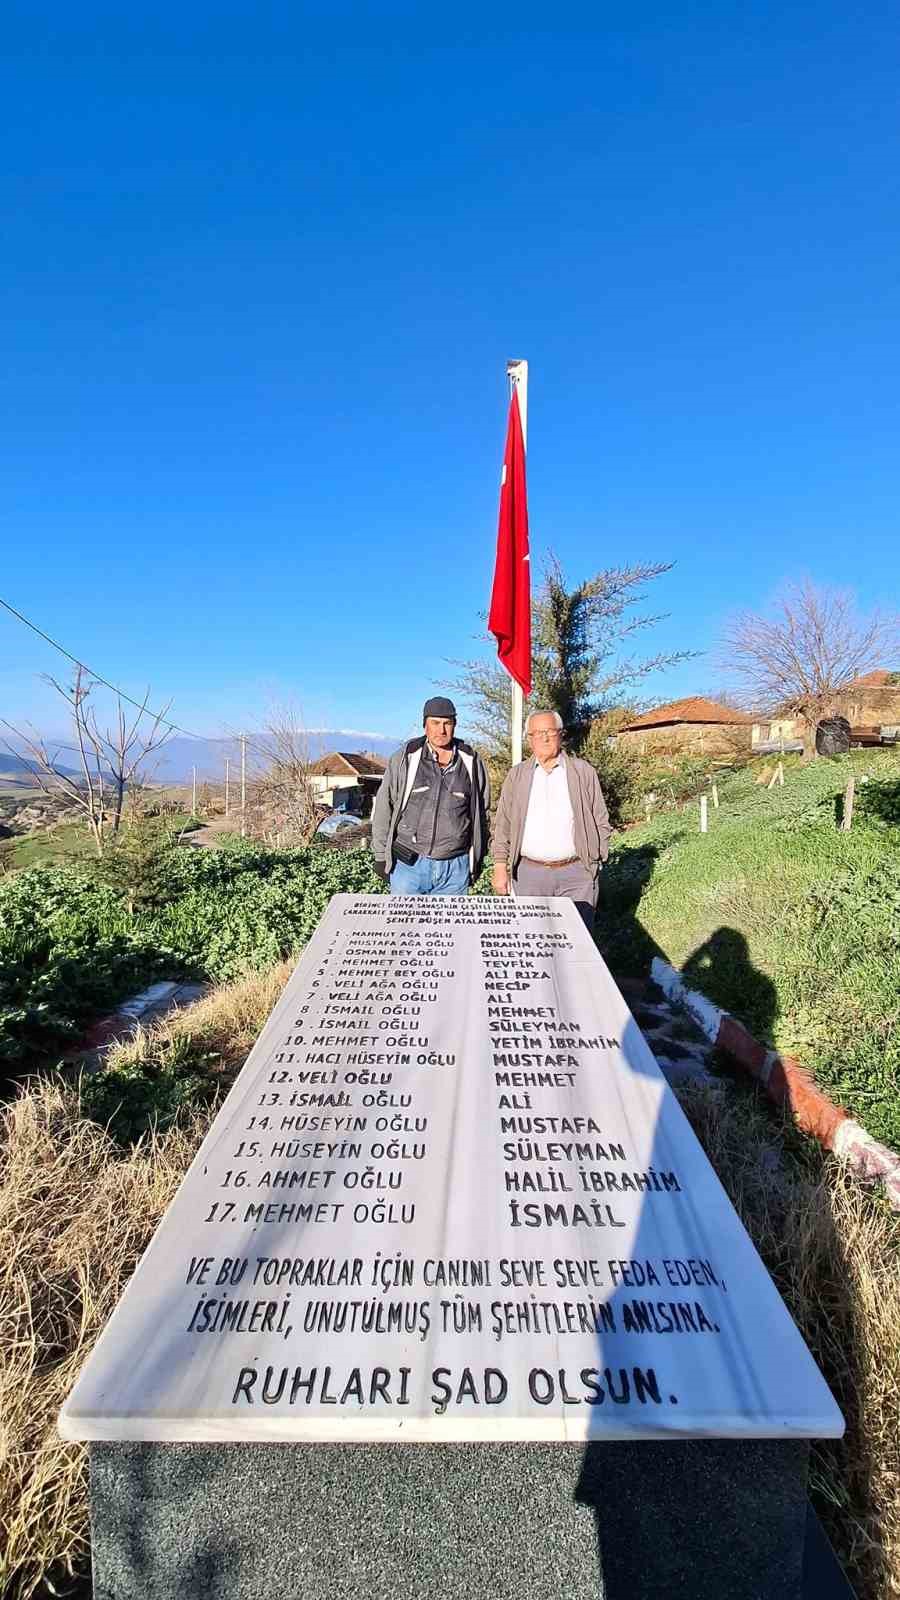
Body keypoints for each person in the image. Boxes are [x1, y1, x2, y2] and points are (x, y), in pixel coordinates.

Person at [491, 710, 611, 928]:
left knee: (578, 945)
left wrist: (595, 860)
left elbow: (601, 818)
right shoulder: (517, 776)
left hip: (577, 875)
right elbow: (503, 825)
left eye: (549, 731)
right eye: (537, 733)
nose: (544, 738)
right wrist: (500, 866)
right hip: (528, 876)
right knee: (532, 943)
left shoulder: (583, 772)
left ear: (560, 734)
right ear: (529, 739)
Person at [371, 696, 490, 895]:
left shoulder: (471, 761)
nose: (441, 730)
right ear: (425, 725)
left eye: (447, 723)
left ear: (455, 725)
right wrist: (381, 855)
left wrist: (477, 858)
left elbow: (483, 814)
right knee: (403, 926)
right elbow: (385, 806)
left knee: (448, 927)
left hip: (455, 870)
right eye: (435, 723)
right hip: (408, 865)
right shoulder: (406, 758)